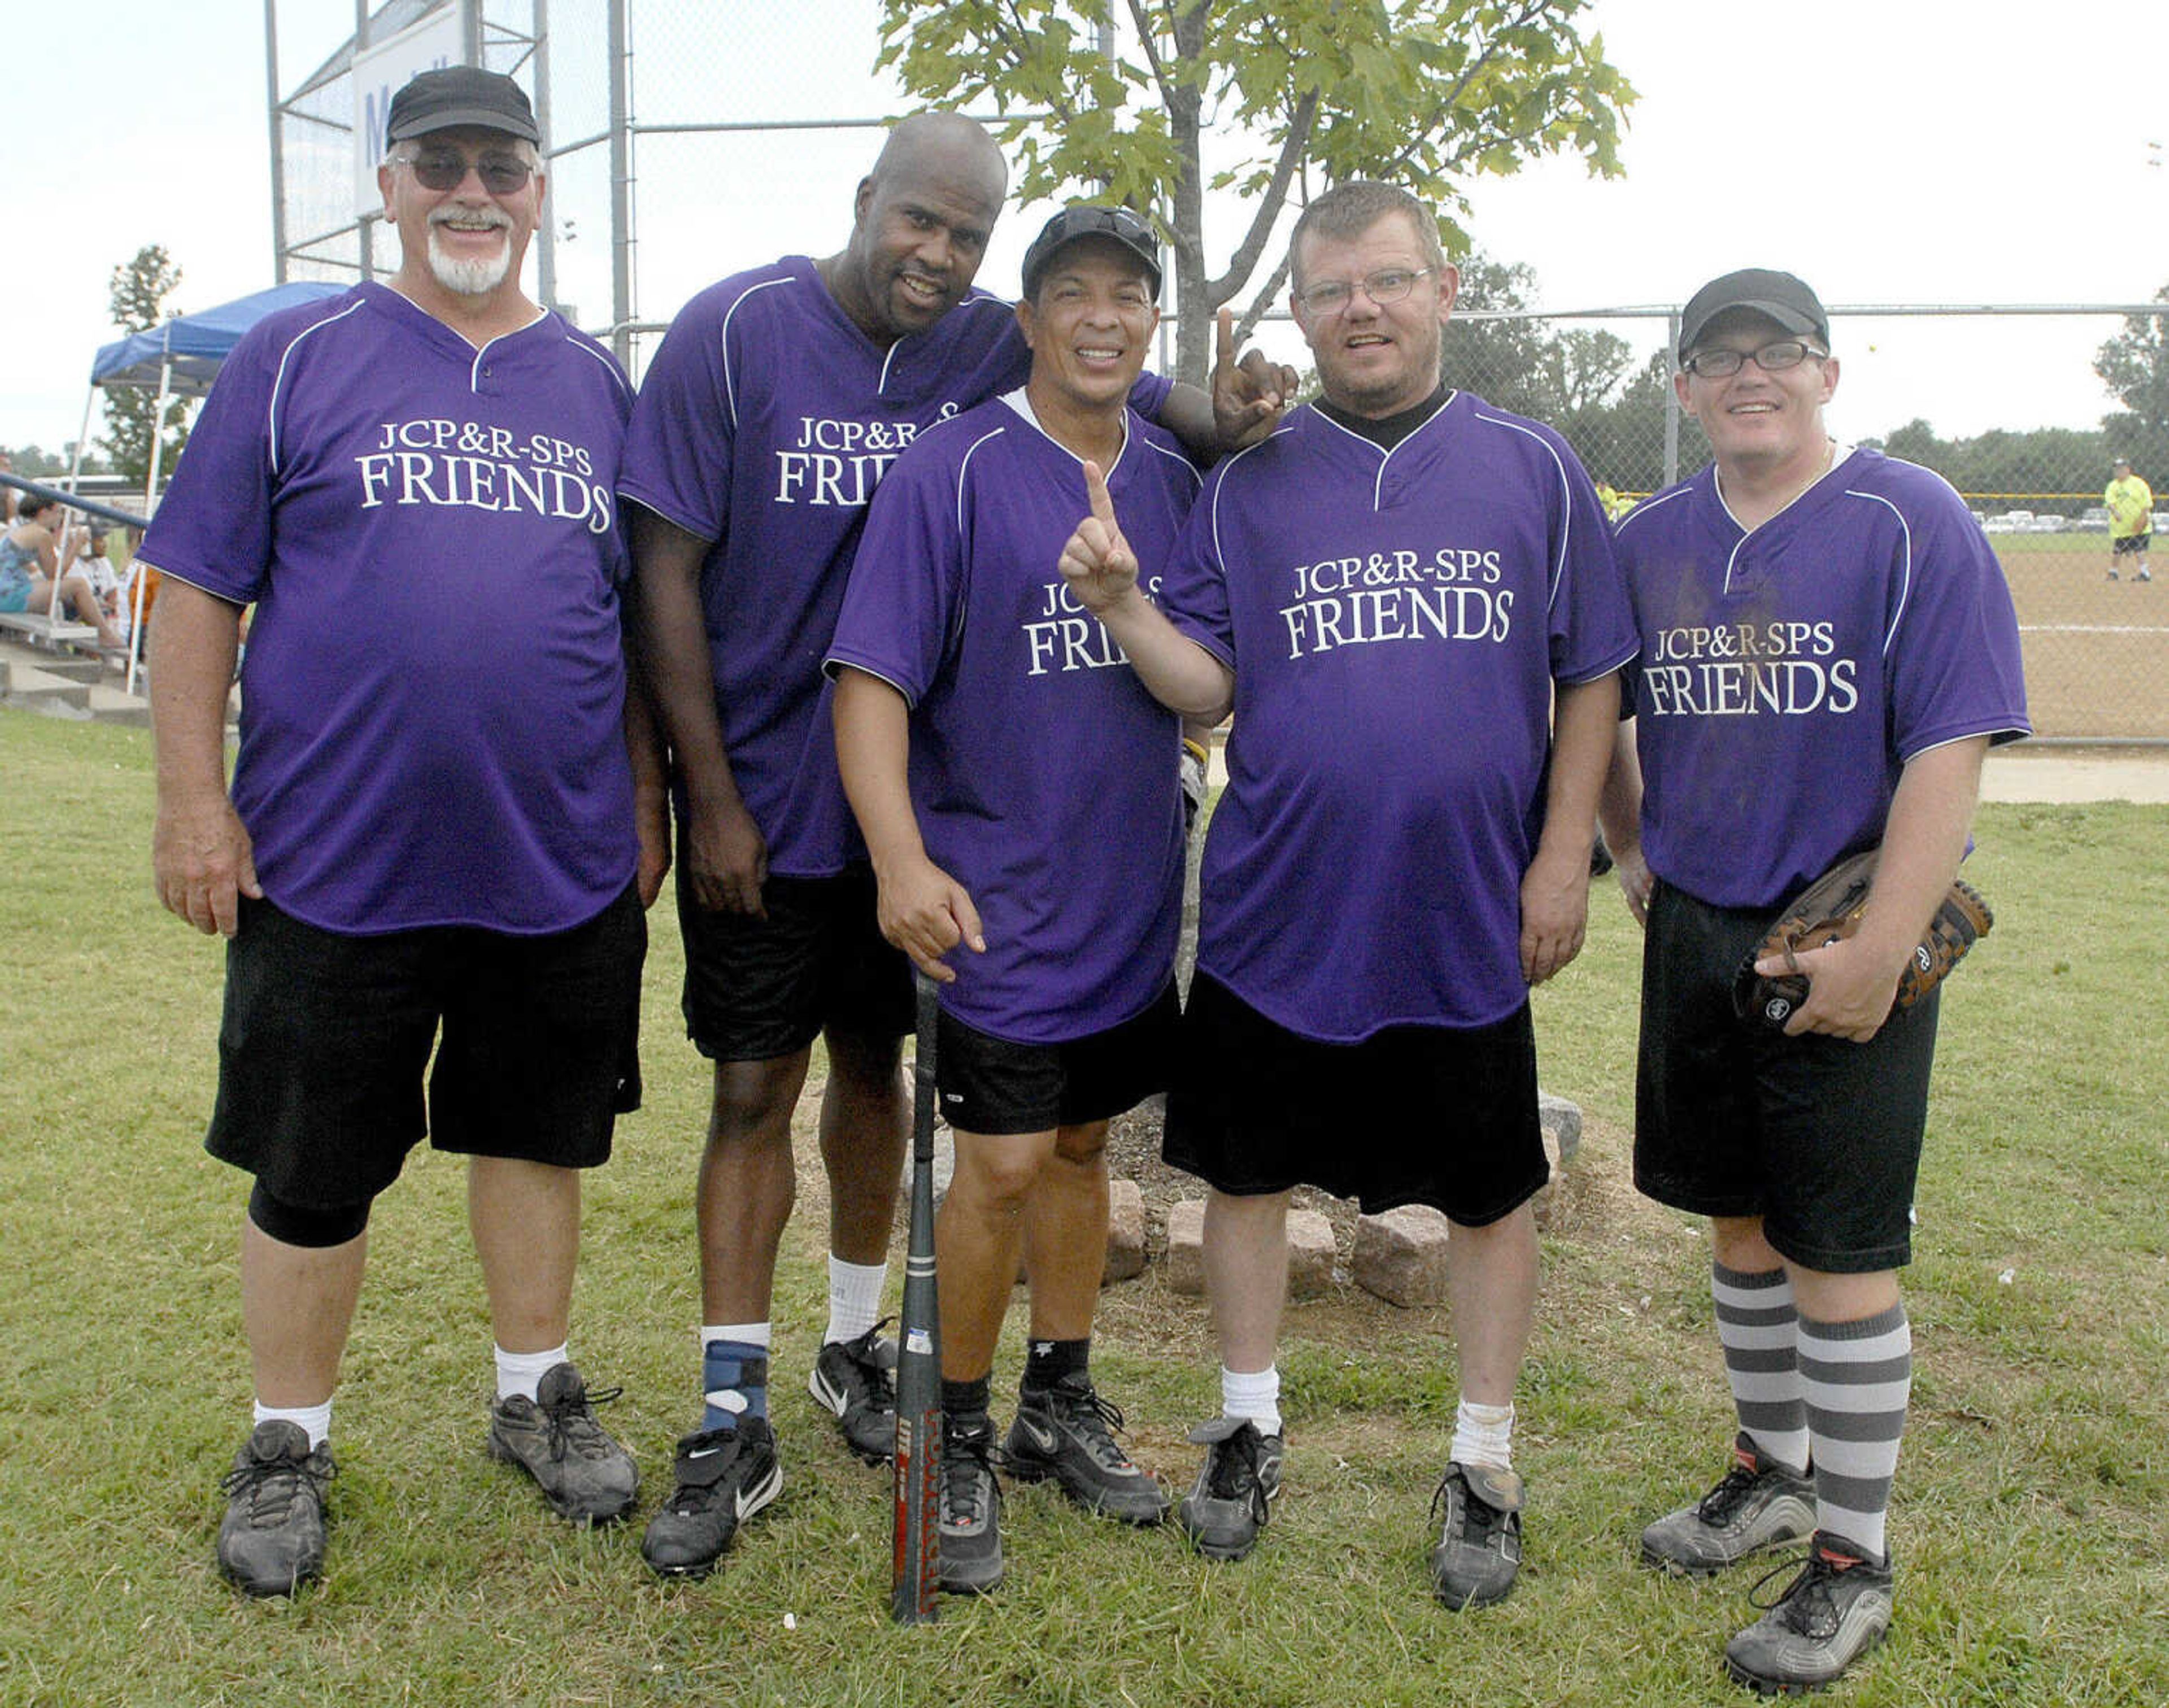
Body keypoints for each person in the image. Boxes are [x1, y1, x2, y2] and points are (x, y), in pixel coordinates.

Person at [618, 112, 1290, 1580]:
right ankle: (762, 1414)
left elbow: (1152, 414)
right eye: (918, 221)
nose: (936, 254)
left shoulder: (1054, 395)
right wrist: (698, 792)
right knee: (764, 1096)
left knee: (916, 1096)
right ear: (868, 206)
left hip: (1013, 862)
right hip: (794, 812)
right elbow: (667, 570)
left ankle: (879, 1356)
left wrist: (1232, 432)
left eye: (964, 235)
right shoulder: (747, 342)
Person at [1057, 180, 1635, 1606]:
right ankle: (1247, 1428)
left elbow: (1588, 675)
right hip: (1277, 903)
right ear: (1301, 316)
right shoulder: (1247, 480)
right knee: (1245, 1178)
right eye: (1331, 291)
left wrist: (1565, 856)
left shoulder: (1532, 465)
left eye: (1386, 280)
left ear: (1443, 291)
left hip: (1460, 911)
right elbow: (1213, 687)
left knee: (1491, 1197)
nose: (1359, 309)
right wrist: (1126, 606)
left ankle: (1484, 1463)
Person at [141, 66, 667, 1598]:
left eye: (503, 167)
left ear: (540, 189)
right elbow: (197, 595)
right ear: (390, 186)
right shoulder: (302, 359)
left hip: (552, 859)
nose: (474, 194)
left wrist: (641, 800)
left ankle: (534, 1394)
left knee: (534, 1135)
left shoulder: (594, 387)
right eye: (441, 165)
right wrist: (193, 803)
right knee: (314, 1164)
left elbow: (633, 624)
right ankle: (288, 1441)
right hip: (329, 859)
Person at [1596, 268, 2029, 1694]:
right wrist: (1627, 846)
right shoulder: (1649, 538)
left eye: (1776, 352)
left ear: (1826, 372)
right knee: (1733, 1224)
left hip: (1841, 930)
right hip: (1702, 931)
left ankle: (1850, 1557)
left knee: (1837, 1255)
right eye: (1715, 359)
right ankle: (1766, 1473)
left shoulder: (1911, 521)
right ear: (1681, 389)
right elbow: (1597, 704)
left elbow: (1946, 747)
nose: (1747, 377)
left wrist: (1884, 944)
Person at [827, 206, 1196, 1594]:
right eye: (1072, 294)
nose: (1102, 317)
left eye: (1128, 296)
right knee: (992, 1165)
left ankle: (1058, 1396)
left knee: (1086, 1150)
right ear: (1029, 319)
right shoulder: (957, 468)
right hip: (997, 902)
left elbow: (1208, 684)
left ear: (1148, 324)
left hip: (1124, 895)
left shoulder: (1169, 476)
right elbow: (869, 683)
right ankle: (961, 1433)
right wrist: (901, 862)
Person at [0, 493, 127, 650]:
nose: (60, 517)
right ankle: (106, 636)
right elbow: (54, 574)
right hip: (8, 595)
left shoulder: (23, 530)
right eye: (58, 512)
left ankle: (44, 645)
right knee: (79, 585)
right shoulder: (41, 534)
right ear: (44, 512)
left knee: (49, 593)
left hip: (7, 591)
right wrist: (76, 546)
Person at [2105, 455, 2152, 581]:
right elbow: (2110, 502)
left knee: (2139, 550)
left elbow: (2147, 503)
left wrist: (2142, 519)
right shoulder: (2112, 486)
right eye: (2117, 469)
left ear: (2128, 470)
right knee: (2117, 550)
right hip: (2121, 528)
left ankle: (2145, 573)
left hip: (2139, 525)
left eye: (2122, 468)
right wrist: (2115, 512)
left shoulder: (2139, 483)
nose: (2119, 471)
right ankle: (2113, 572)